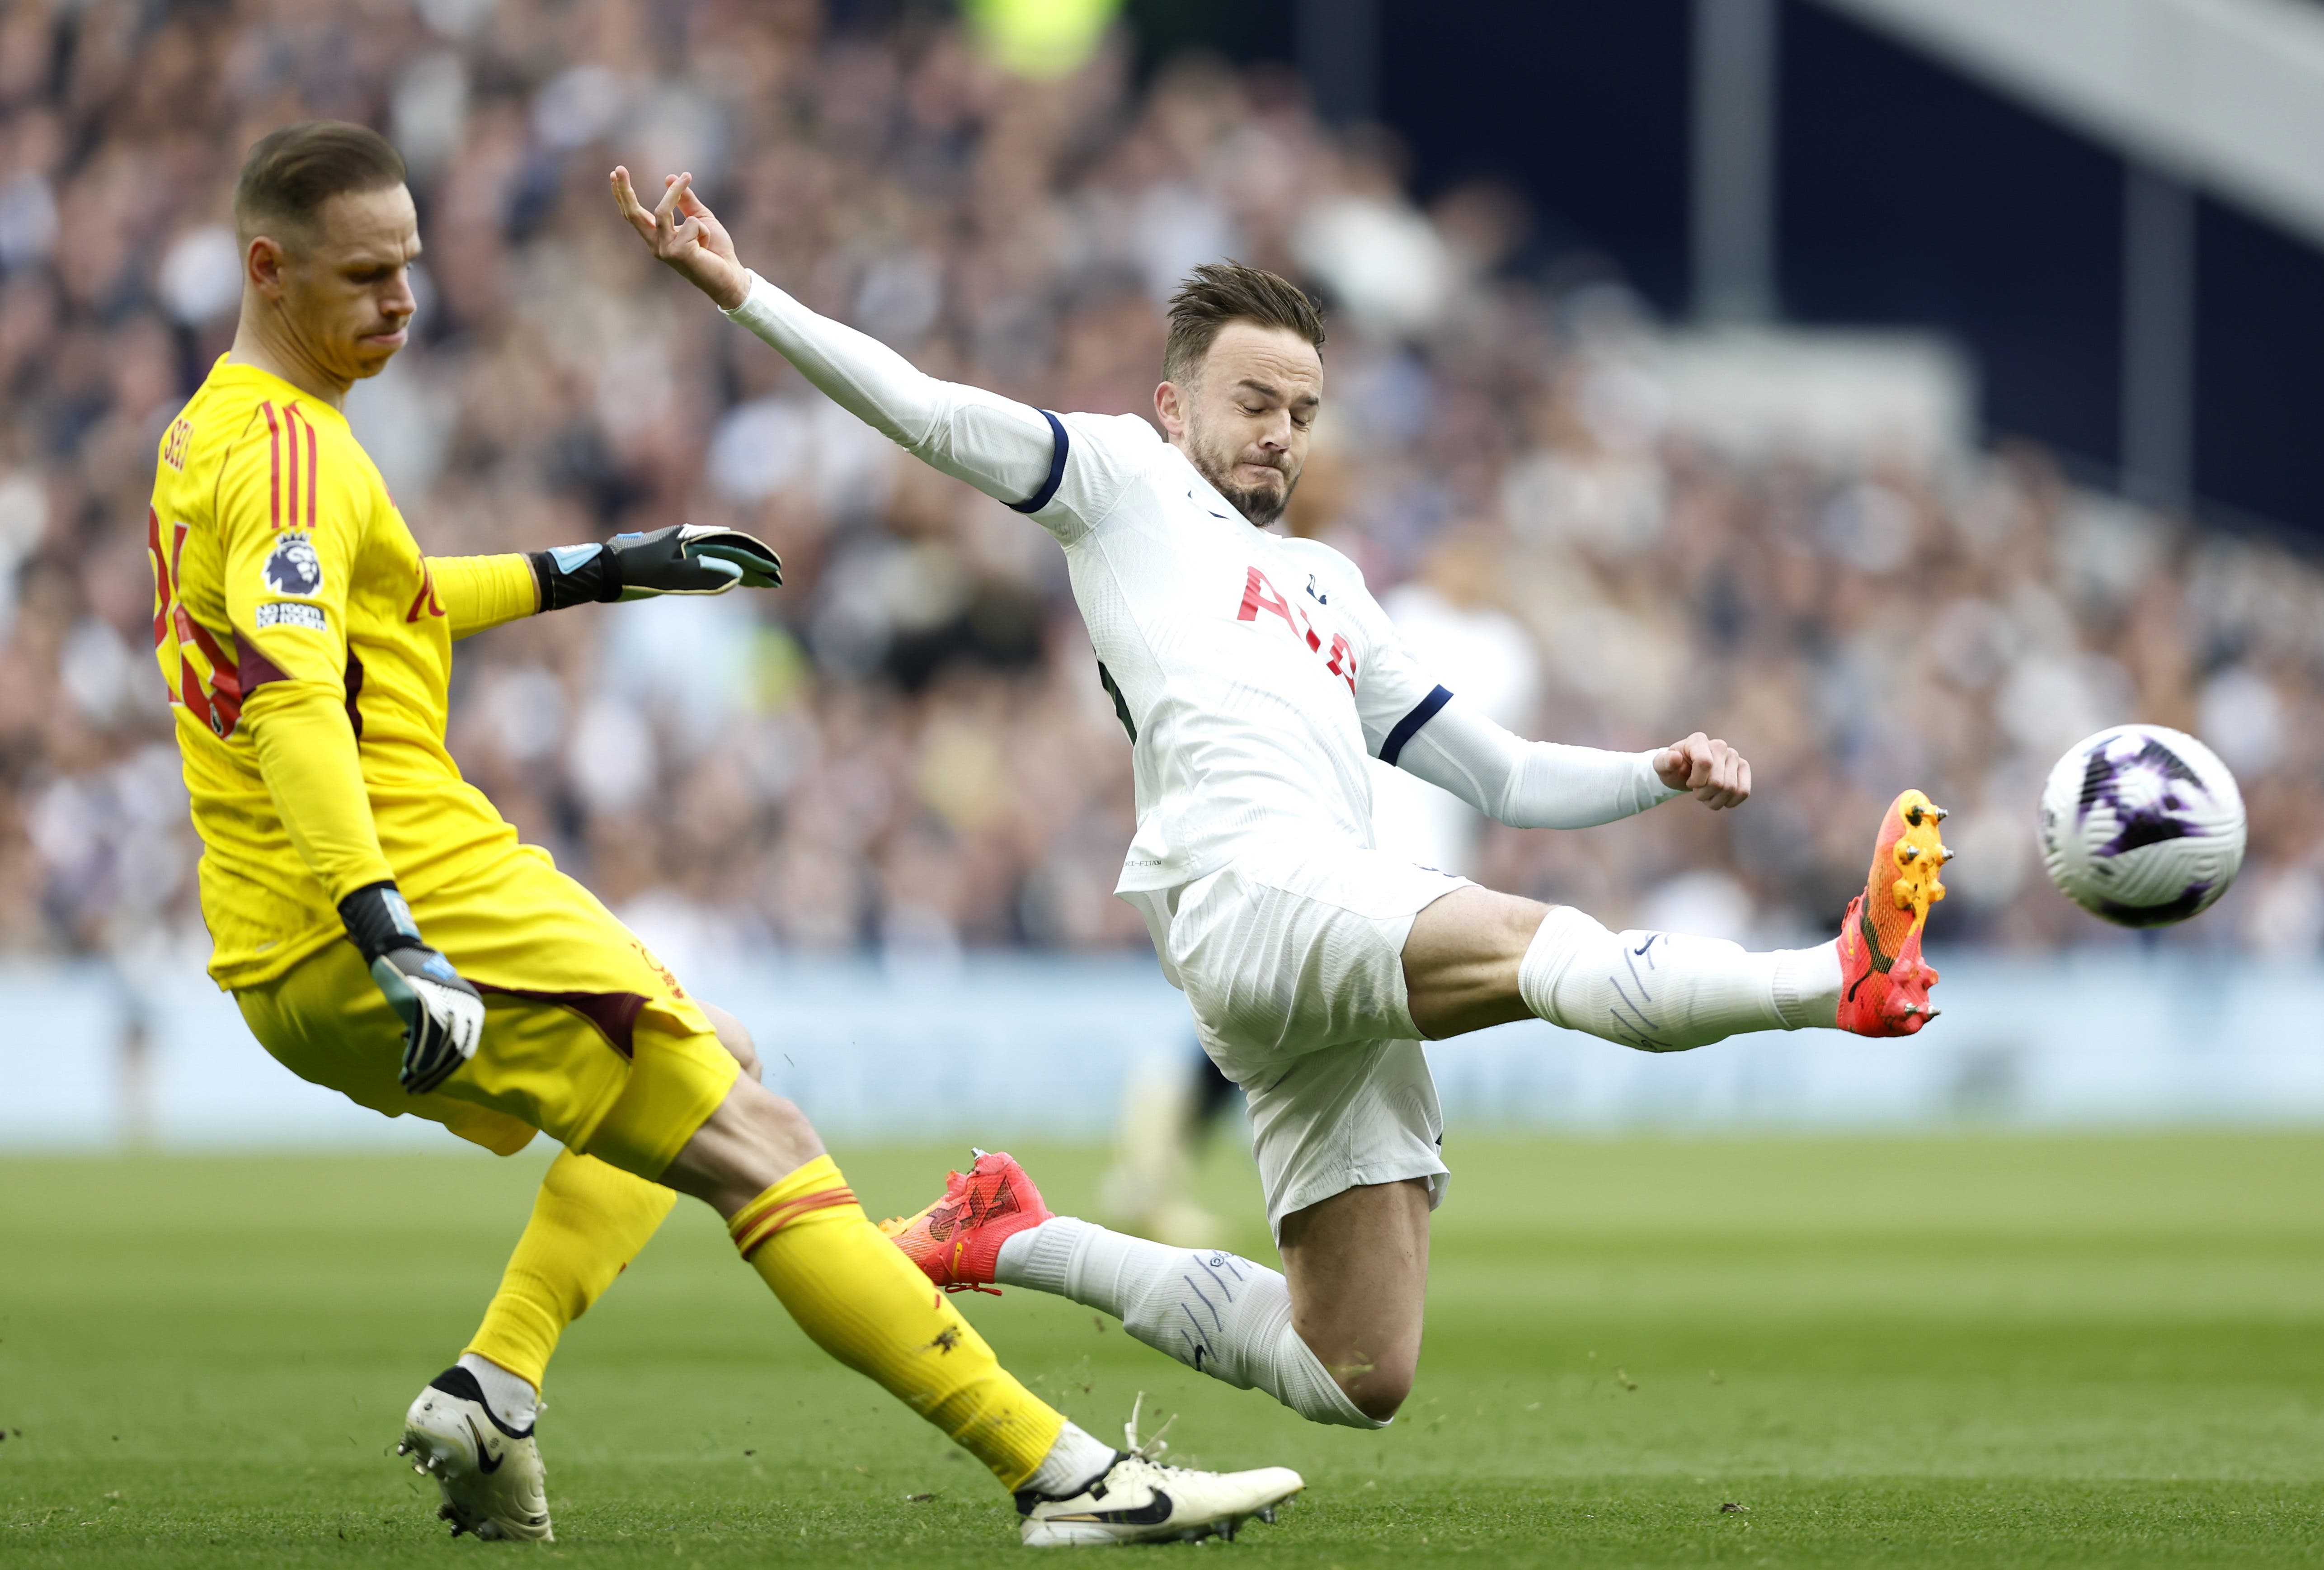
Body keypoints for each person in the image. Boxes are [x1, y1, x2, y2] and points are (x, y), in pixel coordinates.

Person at [612, 165, 1948, 1435]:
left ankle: (1014, 1235)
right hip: (1244, 892)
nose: (1279, 434)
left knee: (1354, 1365)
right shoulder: (1121, 482)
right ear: (1174, 402)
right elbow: (928, 406)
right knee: (1531, 944)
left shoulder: (1327, 585)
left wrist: (1648, 774)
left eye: (1302, 413)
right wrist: (743, 290)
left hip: (1320, 909)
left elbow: (1498, 773)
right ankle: (1831, 975)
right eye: (1255, 401)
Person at [145, 119, 1303, 1549]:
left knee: (720, 1058)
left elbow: (395, 599)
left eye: (412, 268)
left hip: (278, 942)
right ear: (267, 267)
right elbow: (295, 706)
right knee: (763, 1139)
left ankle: (495, 1388)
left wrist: (608, 567)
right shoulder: (289, 461)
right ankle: (1061, 1473)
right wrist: (392, 930)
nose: (402, 301)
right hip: (410, 897)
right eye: (367, 275)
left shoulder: (219, 433)